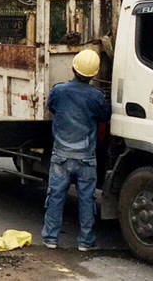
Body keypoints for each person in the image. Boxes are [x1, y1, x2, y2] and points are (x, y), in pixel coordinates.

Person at [41, 49, 111, 251]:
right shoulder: (96, 96)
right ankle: (86, 240)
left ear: (73, 68)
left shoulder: (59, 91)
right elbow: (104, 116)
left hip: (61, 155)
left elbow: (51, 107)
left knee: (55, 196)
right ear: (94, 74)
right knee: (87, 199)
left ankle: (51, 238)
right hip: (86, 157)